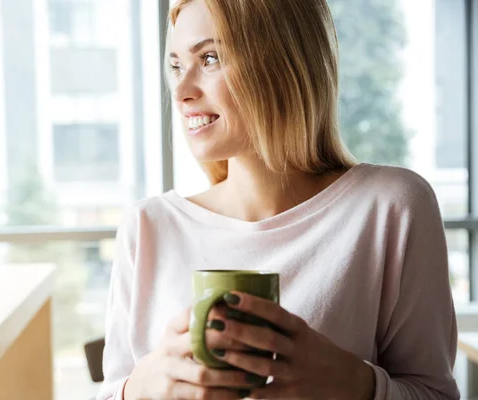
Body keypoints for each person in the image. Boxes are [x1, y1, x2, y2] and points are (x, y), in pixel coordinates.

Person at [96, 0, 460, 398]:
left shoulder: (391, 208)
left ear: (282, 61)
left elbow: (435, 393)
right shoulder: (148, 226)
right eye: (177, 65)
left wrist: (355, 383)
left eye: (211, 58)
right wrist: (138, 389)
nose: (181, 91)